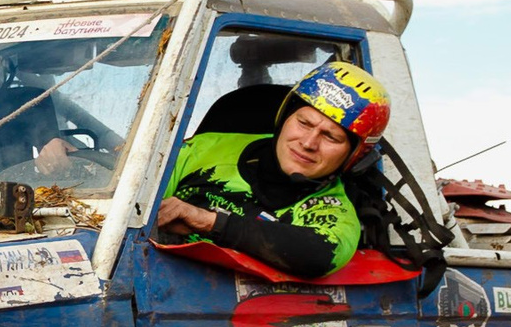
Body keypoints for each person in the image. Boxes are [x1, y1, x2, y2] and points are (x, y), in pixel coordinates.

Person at [153, 59, 391, 279]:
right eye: (304, 123)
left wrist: (208, 221)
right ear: (284, 117)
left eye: (331, 137)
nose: (308, 143)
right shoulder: (203, 149)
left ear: (353, 156)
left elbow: (321, 254)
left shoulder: (333, 208)